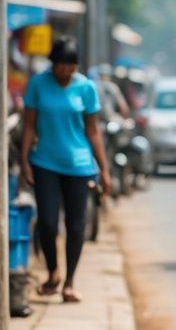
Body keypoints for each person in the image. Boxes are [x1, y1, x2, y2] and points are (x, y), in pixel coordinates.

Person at [20, 36, 112, 304]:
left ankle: (70, 282)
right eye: (62, 66)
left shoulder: (86, 88)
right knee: (47, 223)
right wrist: (25, 160)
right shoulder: (38, 84)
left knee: (76, 225)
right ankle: (53, 273)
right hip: (45, 162)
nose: (66, 72)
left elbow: (93, 131)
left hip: (79, 165)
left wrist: (104, 169)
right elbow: (29, 126)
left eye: (71, 67)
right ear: (53, 64)